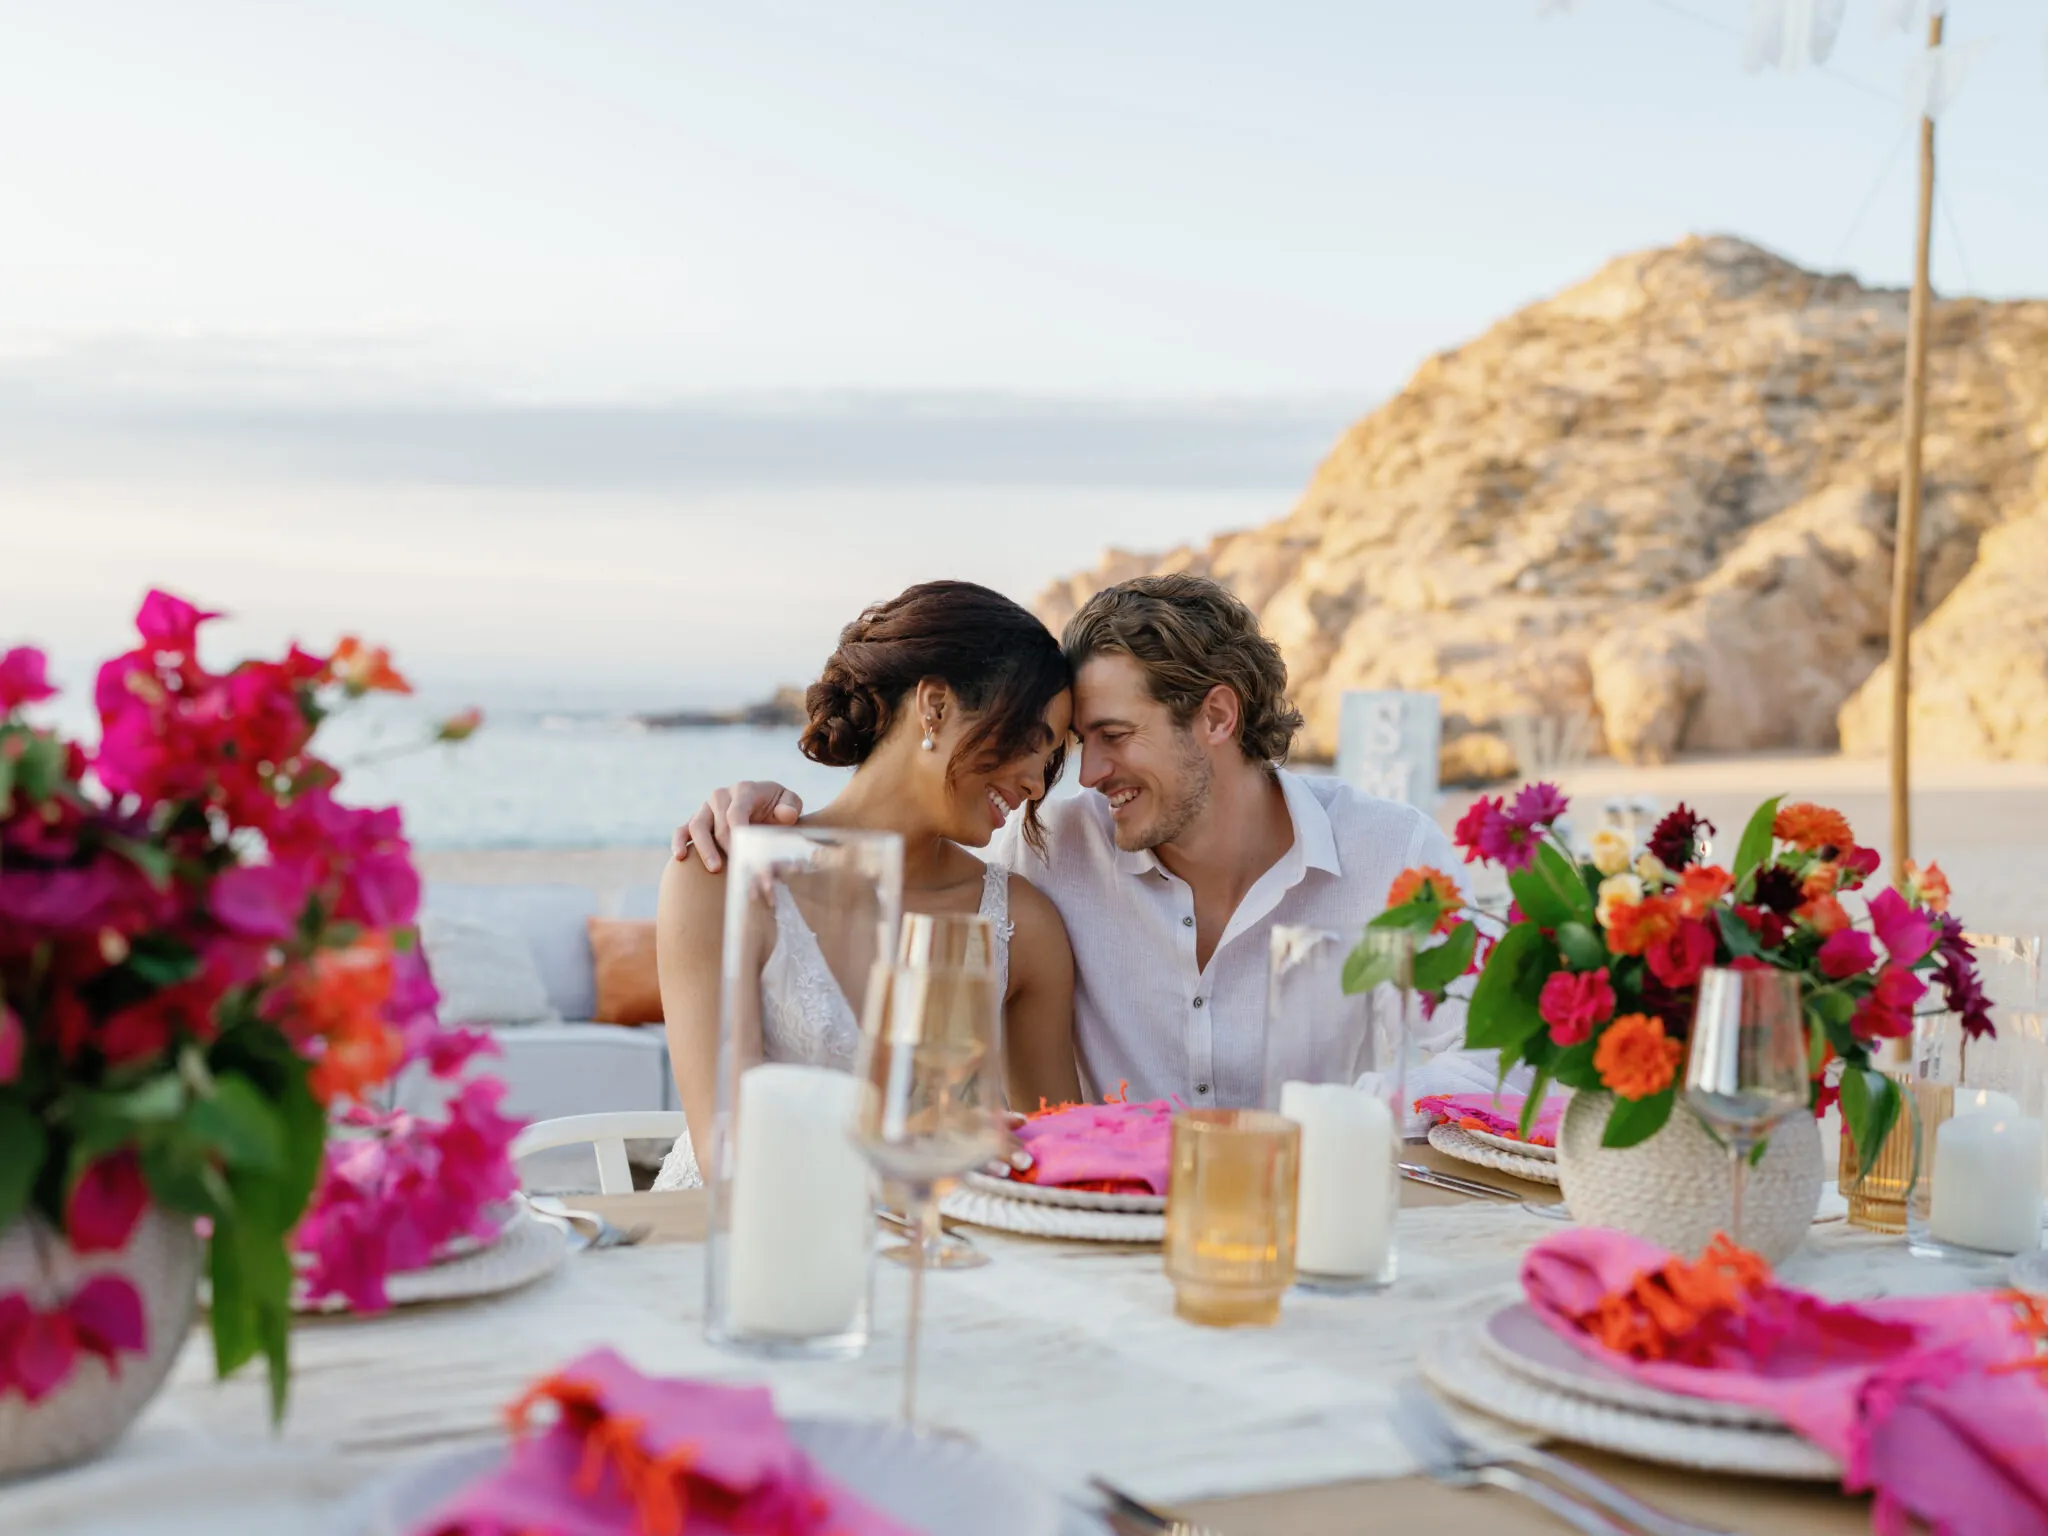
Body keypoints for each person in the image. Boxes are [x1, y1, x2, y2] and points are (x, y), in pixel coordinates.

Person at [677, 573, 1466, 1111]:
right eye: (1068, 745)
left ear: (1218, 718)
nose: (1076, 778)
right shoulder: (1051, 851)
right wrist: (756, 810)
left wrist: (1328, 1132)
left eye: (1110, 736)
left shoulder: (1393, 856)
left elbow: (1490, 1064)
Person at [651, 580, 1082, 1190]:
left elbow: (1062, 1162)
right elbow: (731, 1153)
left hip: (921, 1261)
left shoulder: (1023, 926)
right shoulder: (721, 875)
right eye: (1032, 745)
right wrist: (931, 1148)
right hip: (719, 1248)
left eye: (1052, 761)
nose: (1038, 785)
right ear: (934, 708)